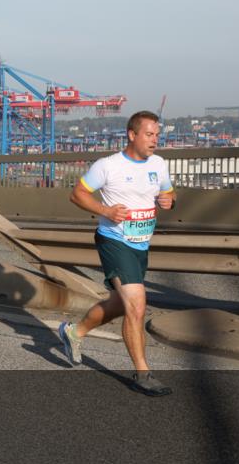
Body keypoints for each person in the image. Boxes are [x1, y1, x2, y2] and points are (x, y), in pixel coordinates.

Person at [58, 110, 177, 396]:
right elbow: (78, 194)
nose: (155, 140)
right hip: (114, 241)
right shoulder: (107, 166)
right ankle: (143, 373)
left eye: (157, 135)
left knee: (122, 304)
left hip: (141, 244)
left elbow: (170, 195)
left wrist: (168, 200)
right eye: (149, 134)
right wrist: (105, 210)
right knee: (136, 305)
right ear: (132, 134)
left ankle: (74, 332)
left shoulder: (159, 164)